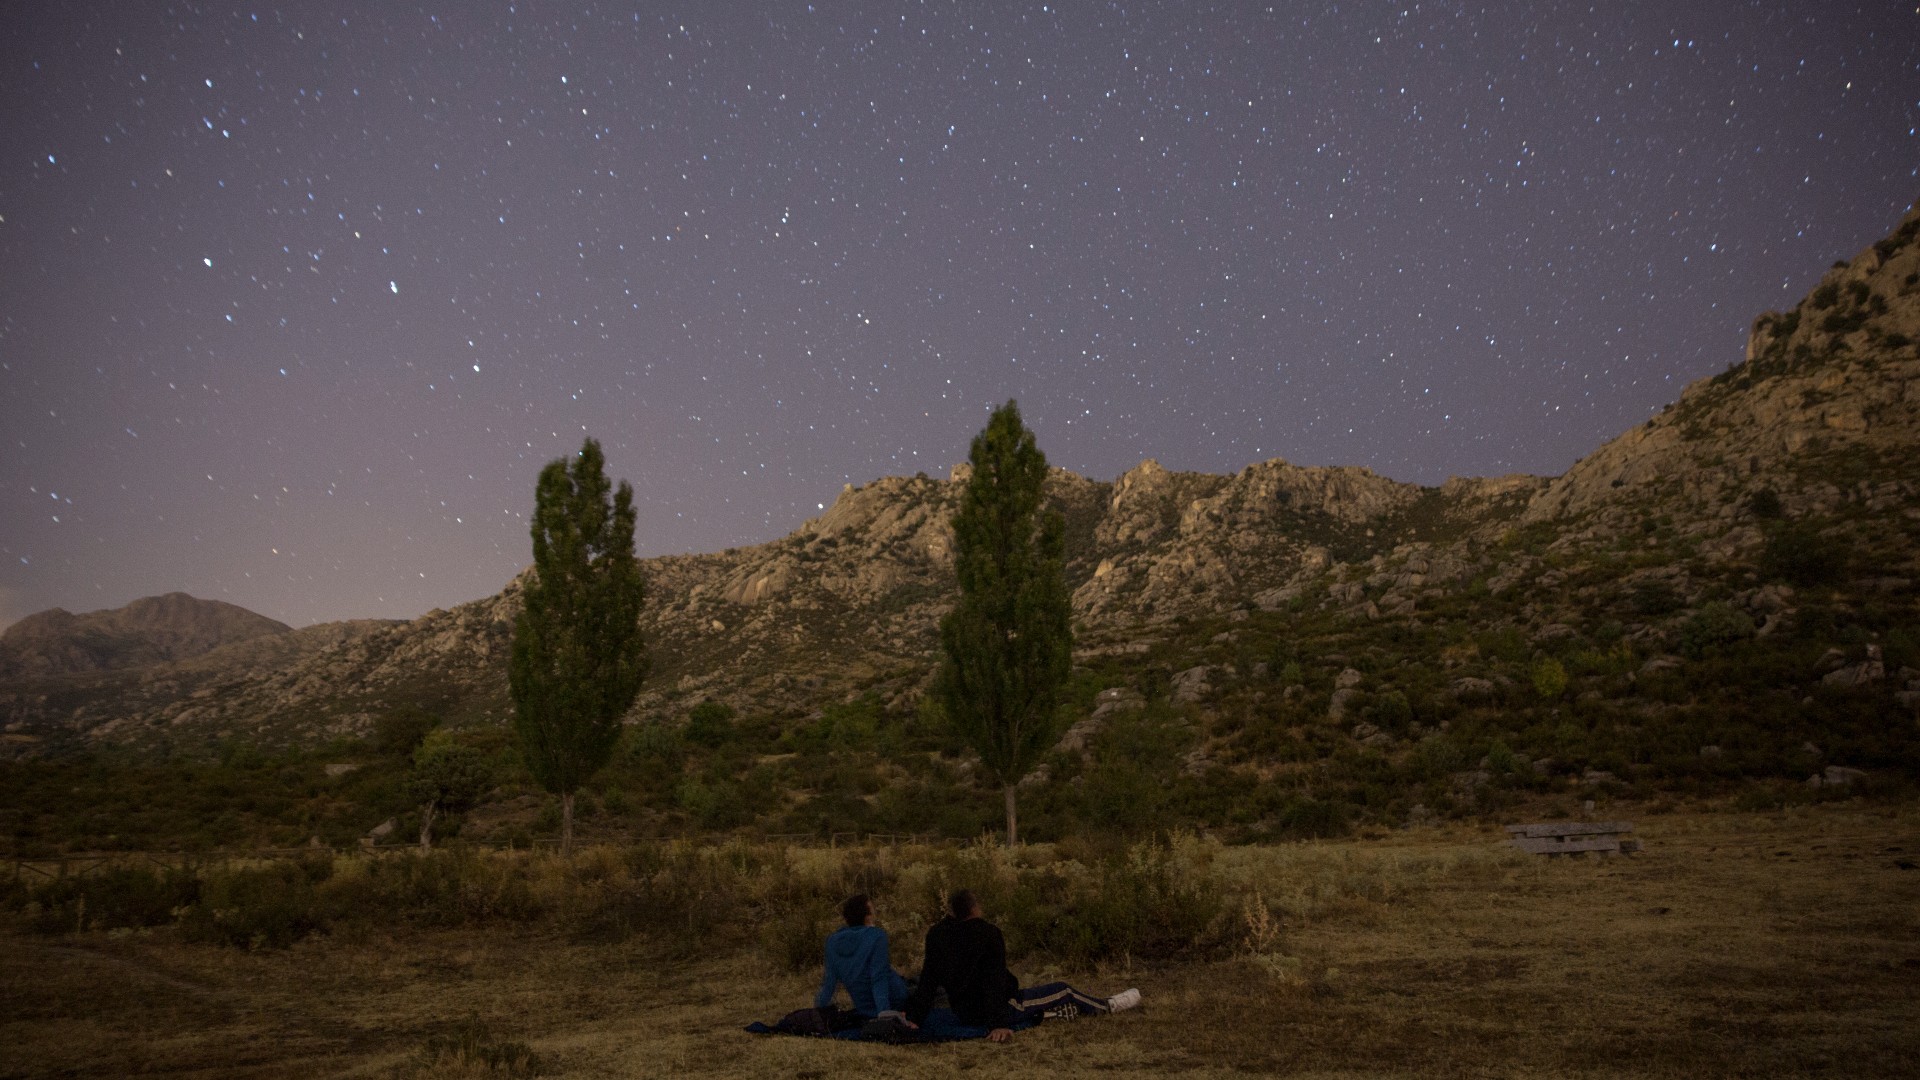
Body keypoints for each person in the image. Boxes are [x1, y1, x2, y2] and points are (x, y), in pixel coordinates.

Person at [905, 888, 1141, 1043]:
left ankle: (1050, 1015)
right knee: (1063, 990)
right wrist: (998, 1023)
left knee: (1039, 1000)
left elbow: (928, 980)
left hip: (964, 1013)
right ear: (974, 908)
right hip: (1000, 1008)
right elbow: (993, 979)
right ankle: (1108, 1006)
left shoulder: (936, 935)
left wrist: (915, 1016)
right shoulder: (988, 933)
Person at [815, 893, 911, 1020]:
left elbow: (829, 982)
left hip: (863, 1007)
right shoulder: (876, 936)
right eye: (872, 912)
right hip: (894, 999)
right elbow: (878, 978)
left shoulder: (832, 941)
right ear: (867, 917)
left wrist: (817, 1011)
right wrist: (884, 1014)